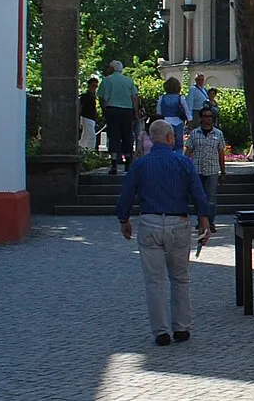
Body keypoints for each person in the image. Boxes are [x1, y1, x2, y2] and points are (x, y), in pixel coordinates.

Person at [115, 119, 213, 347]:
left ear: (151, 138)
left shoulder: (140, 165)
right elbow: (198, 193)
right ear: (171, 138)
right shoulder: (183, 163)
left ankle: (161, 332)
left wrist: (124, 219)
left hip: (149, 221)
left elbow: (126, 194)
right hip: (178, 222)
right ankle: (182, 327)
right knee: (180, 278)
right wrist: (204, 219)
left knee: (154, 281)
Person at [181, 105, 229, 218]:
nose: (209, 119)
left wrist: (223, 172)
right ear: (201, 118)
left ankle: (210, 222)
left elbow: (221, 153)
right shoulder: (194, 133)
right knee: (199, 197)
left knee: (211, 198)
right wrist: (184, 167)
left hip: (212, 169)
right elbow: (187, 152)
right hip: (197, 169)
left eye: (211, 116)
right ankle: (201, 221)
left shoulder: (218, 134)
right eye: (206, 116)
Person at [98, 60, 138, 173]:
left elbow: (102, 98)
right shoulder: (129, 81)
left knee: (114, 135)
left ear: (111, 68)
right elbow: (134, 97)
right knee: (127, 135)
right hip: (127, 111)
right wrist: (136, 112)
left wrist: (103, 109)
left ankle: (114, 163)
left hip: (112, 110)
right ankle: (128, 161)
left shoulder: (106, 80)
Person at [79, 76, 101, 152]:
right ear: (89, 85)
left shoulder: (93, 96)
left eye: (96, 86)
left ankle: (81, 150)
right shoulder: (85, 96)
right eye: (93, 86)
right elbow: (80, 107)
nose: (94, 88)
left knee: (85, 137)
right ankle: (90, 152)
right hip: (86, 118)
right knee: (91, 137)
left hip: (91, 119)